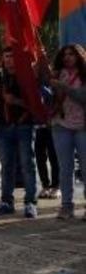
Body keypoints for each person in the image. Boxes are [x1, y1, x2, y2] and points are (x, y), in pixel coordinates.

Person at [0, 48, 40, 218]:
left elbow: (34, 104)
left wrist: (16, 101)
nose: (9, 60)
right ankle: (6, 201)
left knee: (27, 165)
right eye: (6, 57)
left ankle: (30, 202)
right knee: (7, 167)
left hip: (24, 125)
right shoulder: (2, 78)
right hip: (4, 127)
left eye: (12, 56)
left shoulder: (27, 77)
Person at [49, 44, 86, 220]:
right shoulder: (56, 73)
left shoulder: (84, 74)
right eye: (65, 54)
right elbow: (47, 96)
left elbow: (82, 97)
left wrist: (64, 87)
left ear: (79, 56)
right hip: (61, 124)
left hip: (82, 126)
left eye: (72, 54)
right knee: (65, 168)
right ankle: (66, 206)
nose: (68, 57)